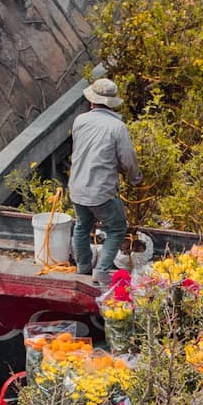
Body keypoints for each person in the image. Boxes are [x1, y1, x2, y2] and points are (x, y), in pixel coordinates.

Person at [68, 77, 141, 289]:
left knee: (82, 226)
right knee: (117, 228)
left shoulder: (80, 121)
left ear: (92, 101)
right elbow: (128, 158)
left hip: (77, 187)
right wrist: (136, 178)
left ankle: (83, 267)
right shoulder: (117, 127)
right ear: (111, 102)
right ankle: (101, 271)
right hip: (101, 192)